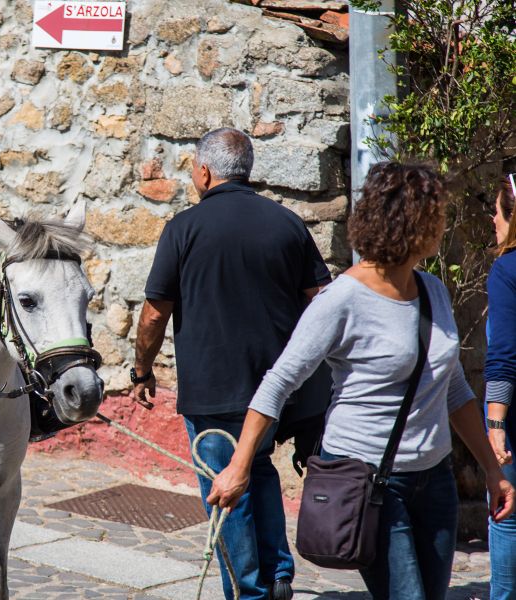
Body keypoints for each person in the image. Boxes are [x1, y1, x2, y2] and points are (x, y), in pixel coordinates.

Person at [209, 162, 516, 600]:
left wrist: (493, 470)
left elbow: (453, 389)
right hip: (369, 480)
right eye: (437, 215)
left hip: (435, 482)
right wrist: (239, 467)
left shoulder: (433, 290)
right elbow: (278, 383)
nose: (444, 224)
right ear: (414, 223)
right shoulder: (343, 299)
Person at [131, 128, 331, 600]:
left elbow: (155, 312)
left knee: (226, 493)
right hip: (277, 390)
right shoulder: (287, 223)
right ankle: (278, 574)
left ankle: (249, 592)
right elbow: (321, 301)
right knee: (256, 468)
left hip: (214, 390)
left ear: (203, 170)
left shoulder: (183, 228)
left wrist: (142, 370)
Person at [485, 173, 516, 600]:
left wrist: (495, 423)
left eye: (497, 211)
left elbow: (504, 354)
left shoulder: (507, 269)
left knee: (508, 512)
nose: (492, 218)